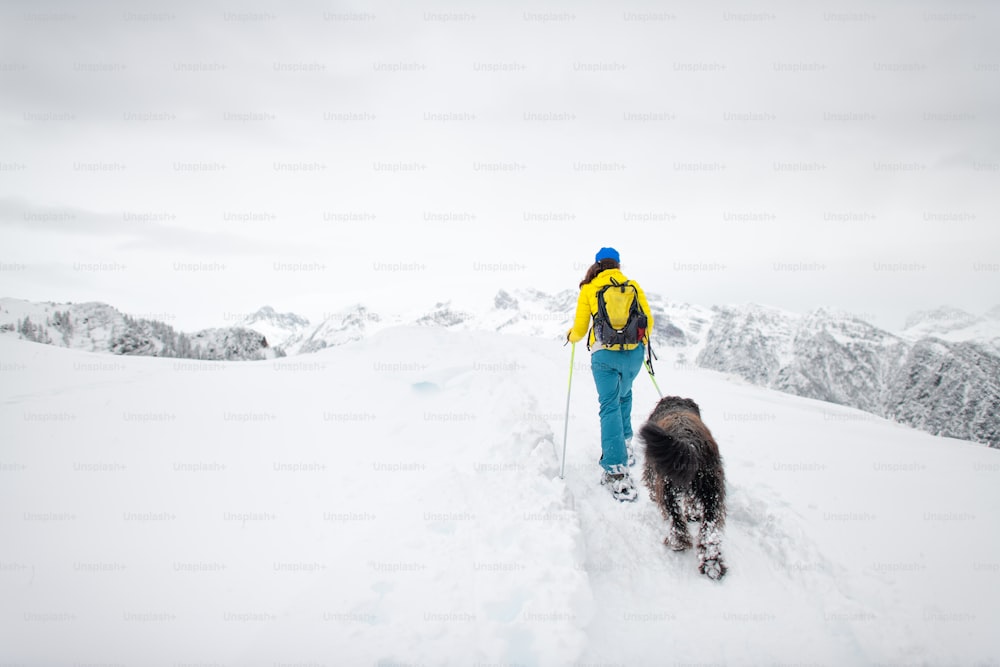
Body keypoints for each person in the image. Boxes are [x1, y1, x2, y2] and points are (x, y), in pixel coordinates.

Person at [567, 247, 654, 501]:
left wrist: (571, 337)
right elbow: (647, 321)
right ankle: (626, 443)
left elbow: (580, 329)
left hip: (604, 356)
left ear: (597, 265)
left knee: (609, 406)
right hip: (634, 355)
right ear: (617, 265)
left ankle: (616, 470)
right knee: (624, 396)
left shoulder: (589, 289)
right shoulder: (633, 286)